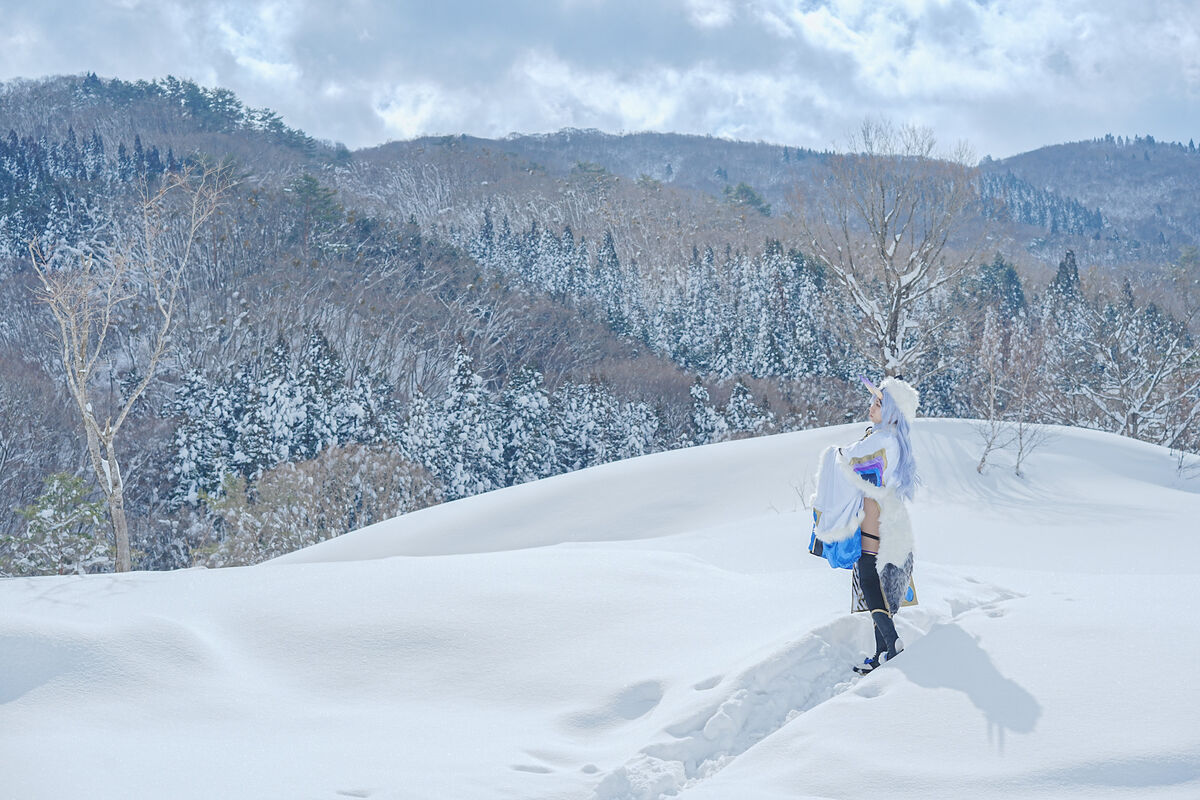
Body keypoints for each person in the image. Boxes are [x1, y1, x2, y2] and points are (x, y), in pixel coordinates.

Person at [809, 375, 920, 674]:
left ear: (893, 411)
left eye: (878, 403)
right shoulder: (896, 439)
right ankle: (881, 651)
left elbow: (846, 460)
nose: (871, 406)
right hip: (892, 515)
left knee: (869, 577)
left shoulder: (881, 439)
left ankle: (891, 640)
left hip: (874, 513)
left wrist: (835, 454)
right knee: (877, 580)